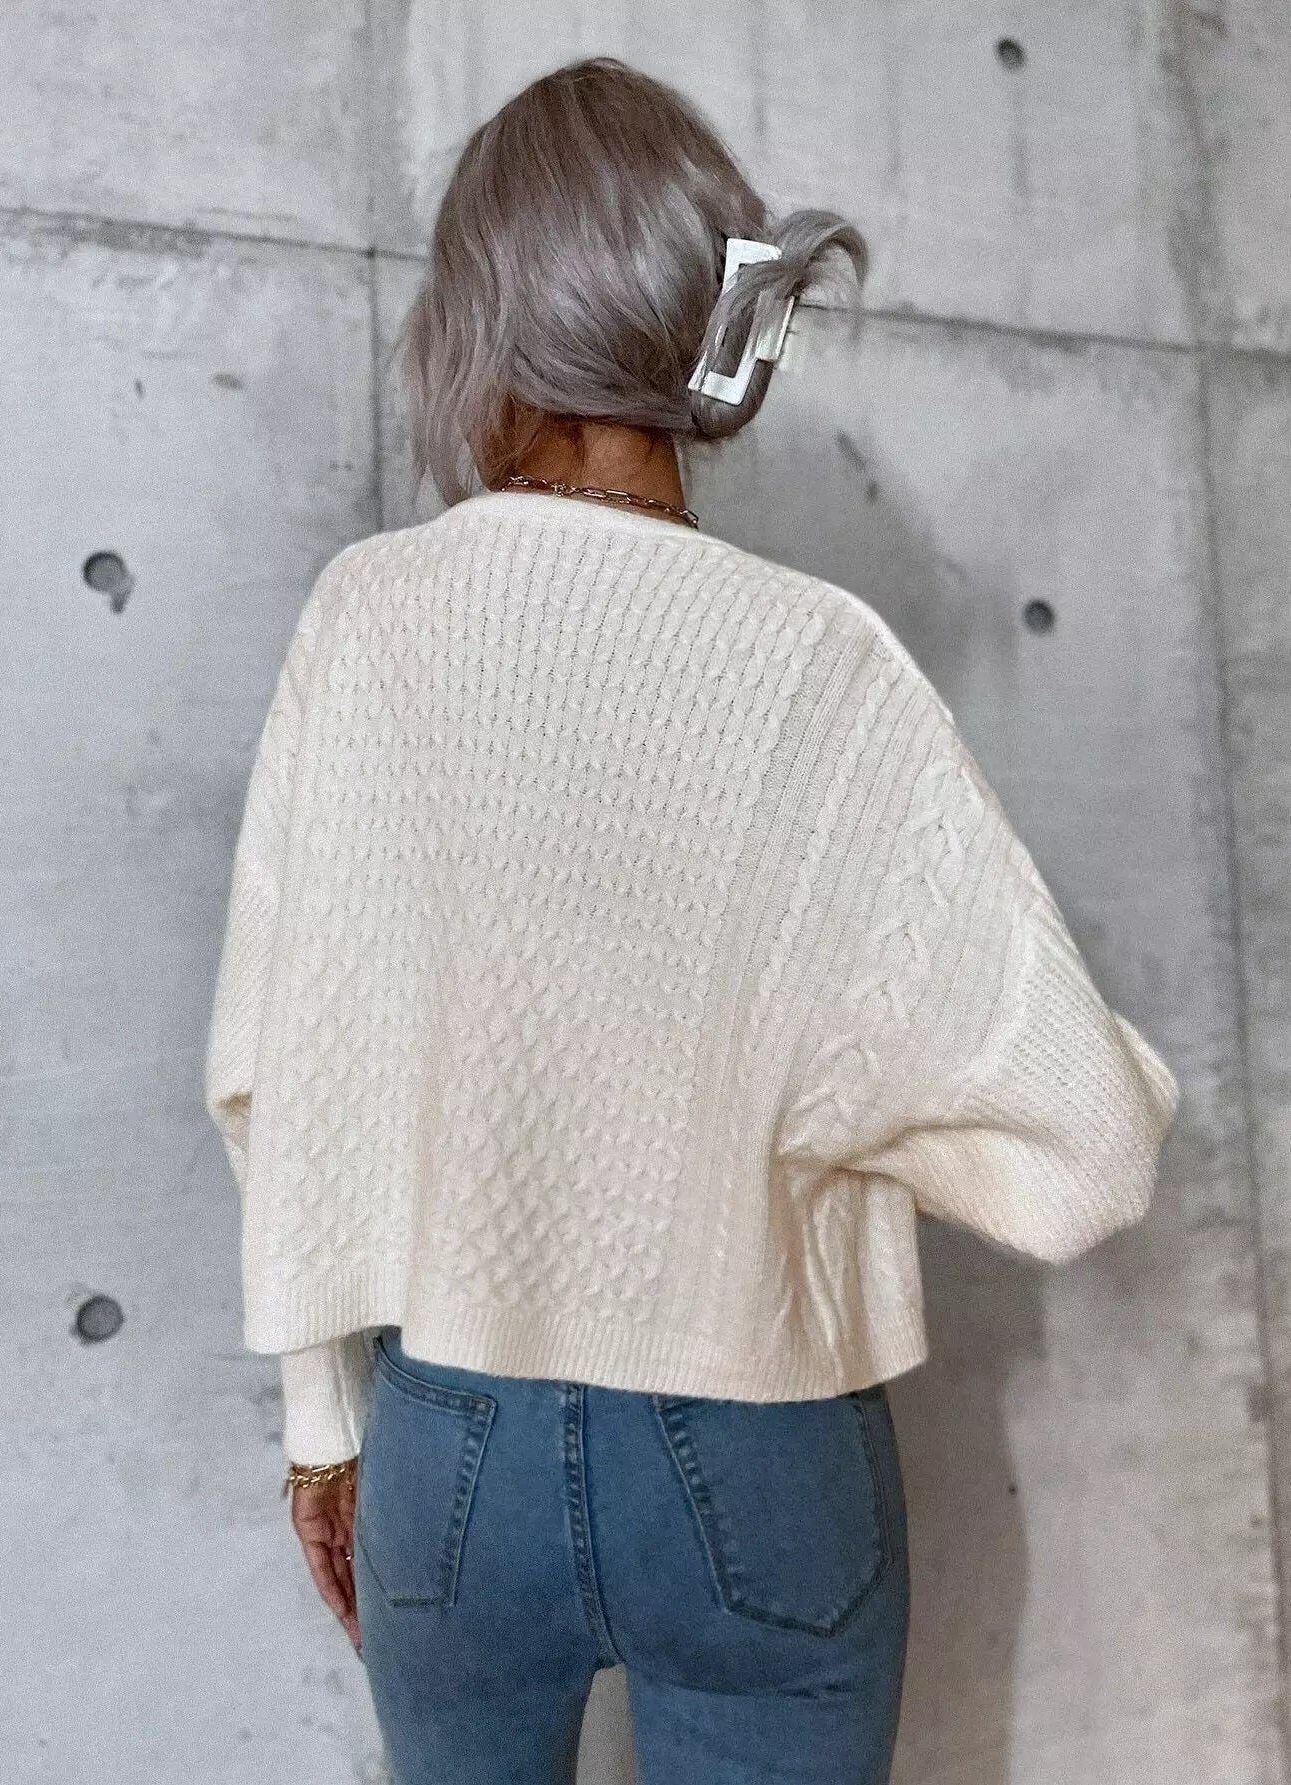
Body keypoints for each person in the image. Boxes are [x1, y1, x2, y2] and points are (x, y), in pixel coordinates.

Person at [203, 55, 1180, 1785]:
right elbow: (1090, 1142)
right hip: (761, 1445)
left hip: (451, 1446)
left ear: (480, 317)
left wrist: (321, 1425)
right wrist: (814, 1107)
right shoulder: (824, 665)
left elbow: (275, 1072)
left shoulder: (371, 622)